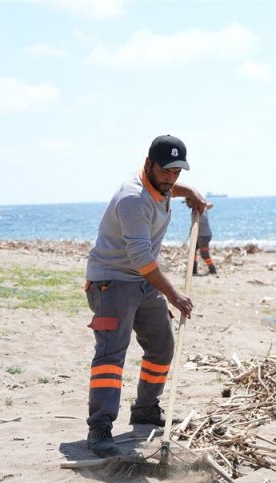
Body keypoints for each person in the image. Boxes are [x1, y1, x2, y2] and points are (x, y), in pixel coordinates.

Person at [83, 134, 206, 457]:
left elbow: (169, 190)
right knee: (111, 355)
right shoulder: (133, 199)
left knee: (162, 344)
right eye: (166, 171)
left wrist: (189, 192)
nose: (171, 178)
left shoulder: (163, 187)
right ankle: (100, 429)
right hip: (112, 281)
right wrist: (175, 295)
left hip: (143, 281)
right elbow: (141, 258)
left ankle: (145, 408)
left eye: (177, 173)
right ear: (148, 163)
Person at [192, 202, 217, 276]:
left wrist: (202, 203)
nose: (187, 204)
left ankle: (212, 269)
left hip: (203, 235)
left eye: (188, 202)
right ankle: (193, 269)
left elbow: (211, 204)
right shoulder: (195, 210)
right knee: (192, 252)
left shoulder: (200, 210)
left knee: (204, 254)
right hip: (196, 235)